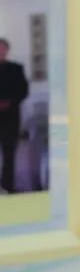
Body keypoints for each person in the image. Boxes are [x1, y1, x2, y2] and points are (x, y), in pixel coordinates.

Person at [0, 38, 29, 193]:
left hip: (11, 118)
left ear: (7, 50)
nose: (0, 51)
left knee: (9, 154)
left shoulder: (17, 68)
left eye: (3, 48)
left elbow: (24, 91)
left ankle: (8, 186)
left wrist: (10, 102)